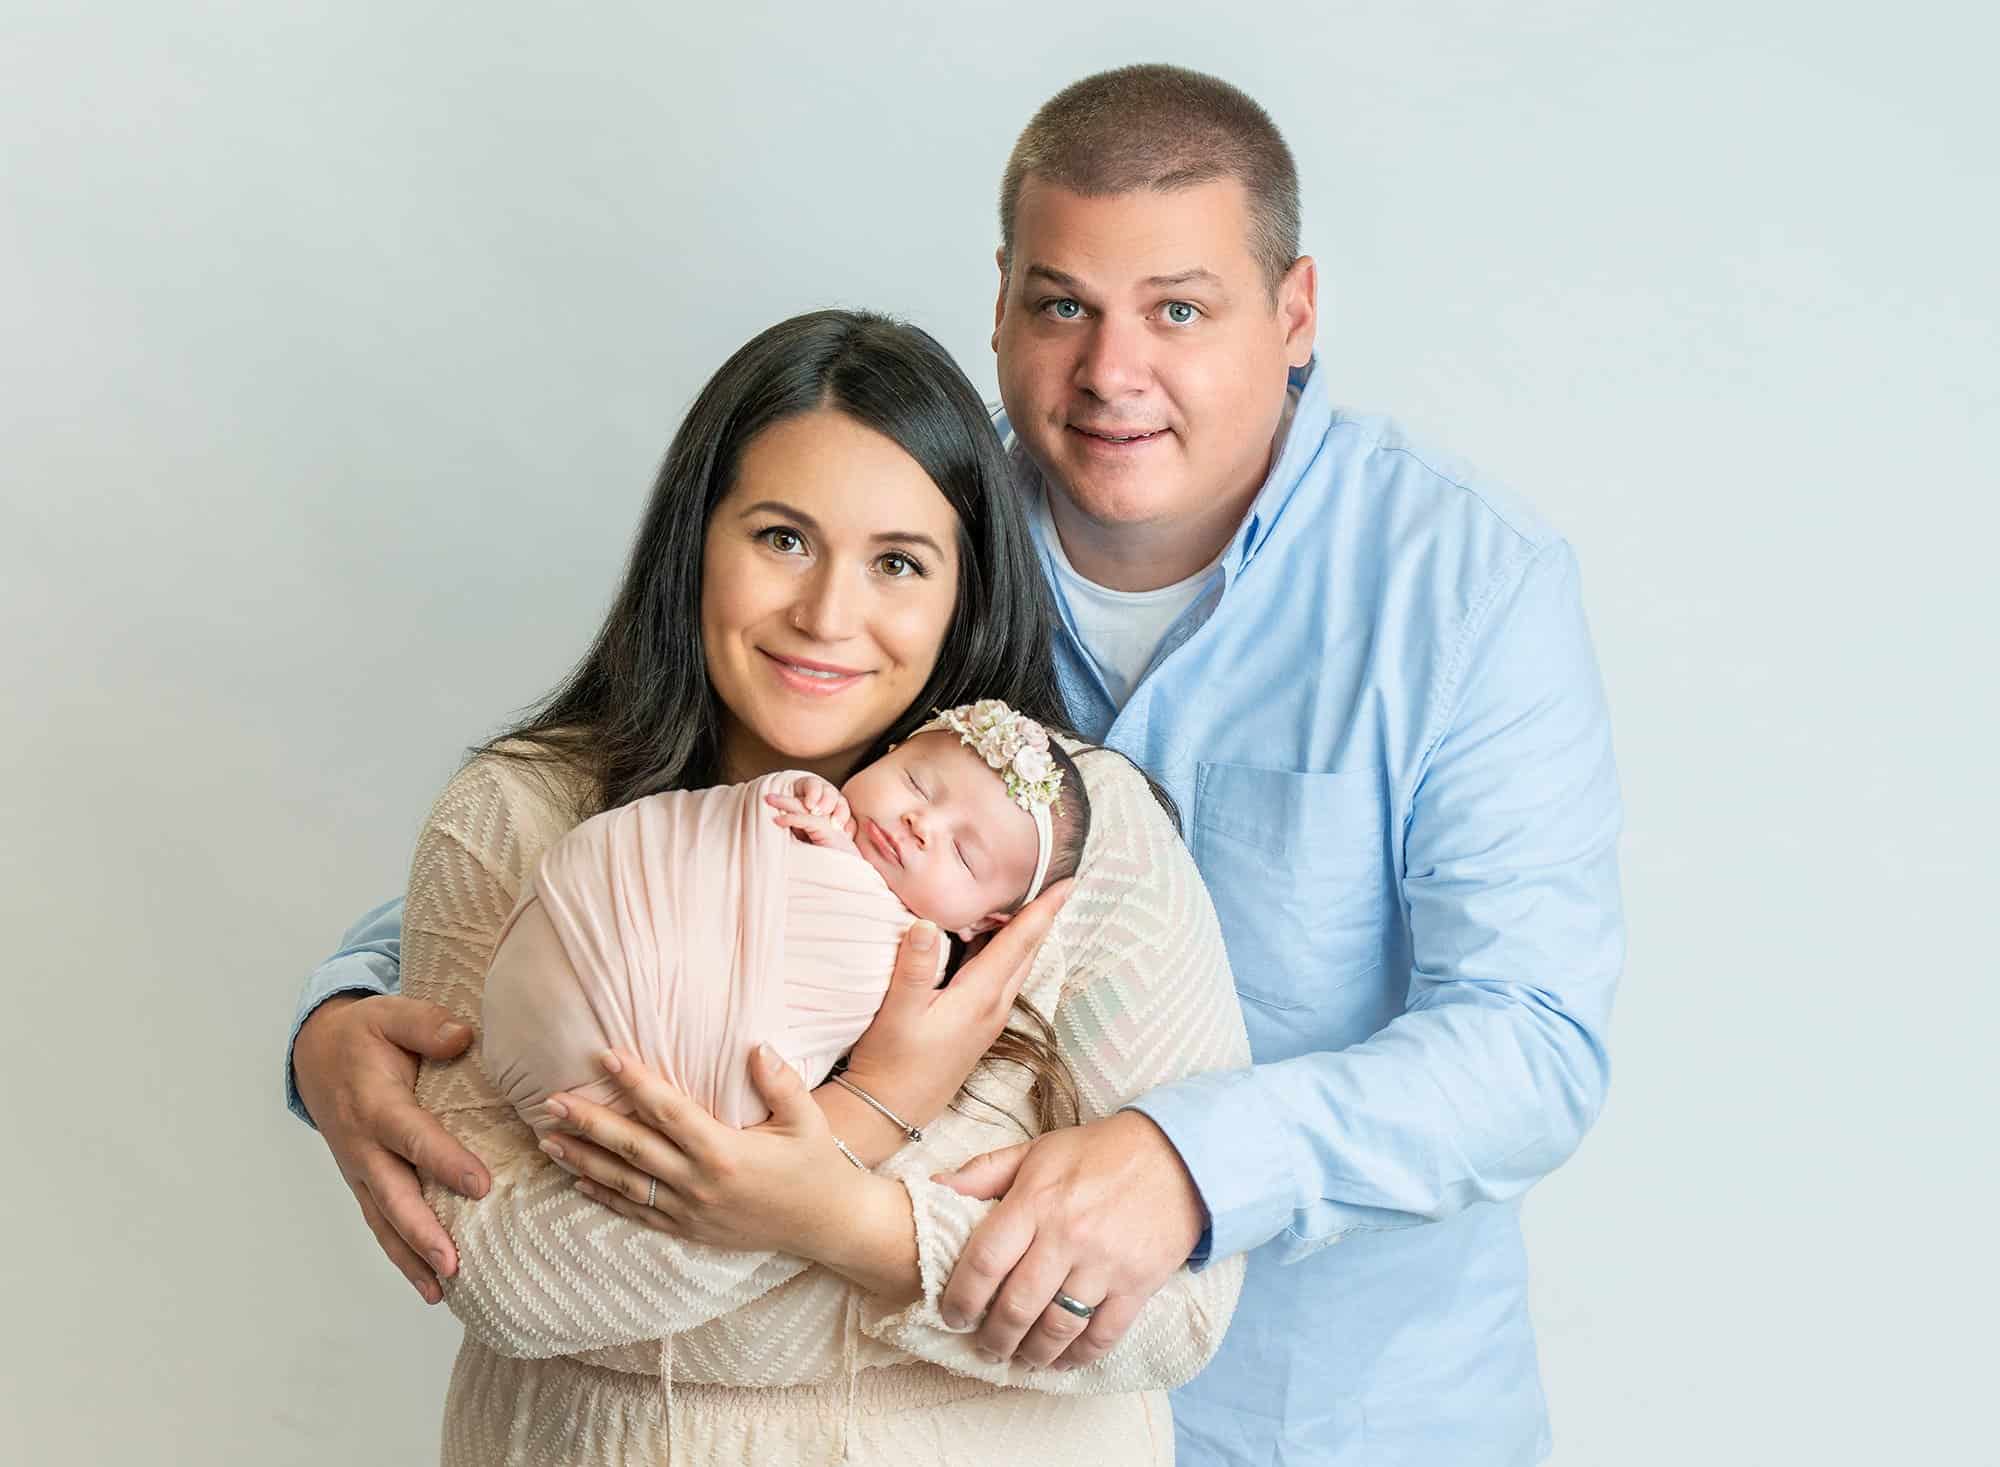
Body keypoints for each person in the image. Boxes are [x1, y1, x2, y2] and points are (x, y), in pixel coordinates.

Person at [290, 66, 1624, 1466]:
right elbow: (604, 877)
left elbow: (1533, 1039)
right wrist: (348, 1008)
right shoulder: (909, 511)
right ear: (999, 305)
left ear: (1293, 315)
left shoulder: (1465, 586)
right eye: (1063, 305)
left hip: (1334, 1405)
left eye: (1179, 306)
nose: (1113, 371)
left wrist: (1183, 1159)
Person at [381, 306, 1249, 1463]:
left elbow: (1174, 1315)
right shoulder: (523, 811)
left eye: (897, 562)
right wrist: (869, 1117)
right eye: (781, 539)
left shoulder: (1078, 838)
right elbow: (490, 1270)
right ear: (695, 539)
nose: (827, 615)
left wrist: (833, 1215)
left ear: (965, 587)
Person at [481, 703, 1090, 1140]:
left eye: (963, 854)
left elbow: (852, 1027)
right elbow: (712, 844)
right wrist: (806, 808)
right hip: (565, 954)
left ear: (982, 924)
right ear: (887, 754)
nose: (919, 825)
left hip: (673, 1071)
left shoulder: (913, 964)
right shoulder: (803, 815)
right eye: (916, 784)